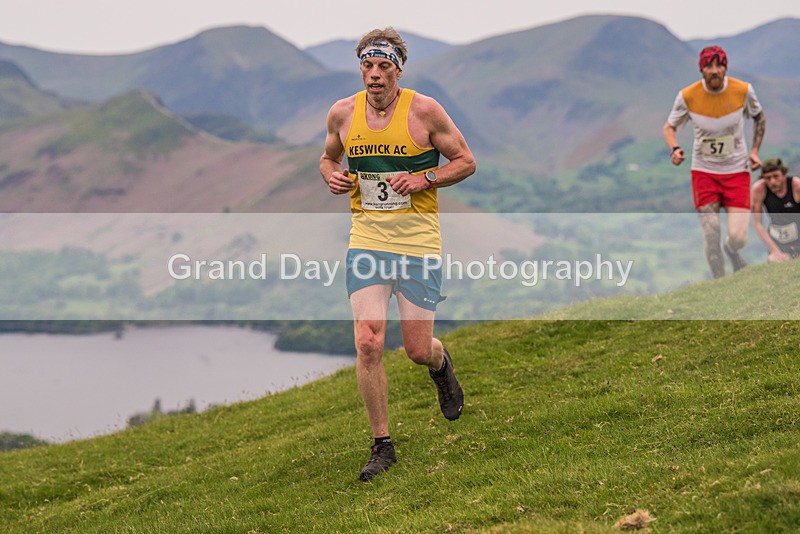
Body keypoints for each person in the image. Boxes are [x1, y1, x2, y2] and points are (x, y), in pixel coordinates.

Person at [319, 28, 476, 481]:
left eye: (383, 66)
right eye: (367, 66)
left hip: (417, 242)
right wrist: (332, 175)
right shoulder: (343, 113)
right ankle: (382, 444)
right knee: (368, 341)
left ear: (398, 69)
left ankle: (440, 362)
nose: (374, 75)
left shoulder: (424, 111)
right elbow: (329, 159)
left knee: (415, 349)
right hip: (367, 239)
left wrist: (426, 179)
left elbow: (466, 161)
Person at [663, 45, 766, 278]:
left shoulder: (744, 90)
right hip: (704, 172)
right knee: (711, 231)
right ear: (701, 69)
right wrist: (675, 149)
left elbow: (759, 117)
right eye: (709, 65)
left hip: (737, 170)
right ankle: (720, 284)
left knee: (739, 238)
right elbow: (669, 127)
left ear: (726, 68)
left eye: (719, 65)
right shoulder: (687, 96)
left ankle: (731, 250)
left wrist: (755, 151)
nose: (715, 70)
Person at [751, 158, 800, 262]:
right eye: (767, 178)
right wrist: (775, 251)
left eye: (776, 176)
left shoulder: (796, 186)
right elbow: (758, 224)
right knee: (774, 260)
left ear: (784, 174)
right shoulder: (759, 189)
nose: (772, 182)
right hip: (778, 241)